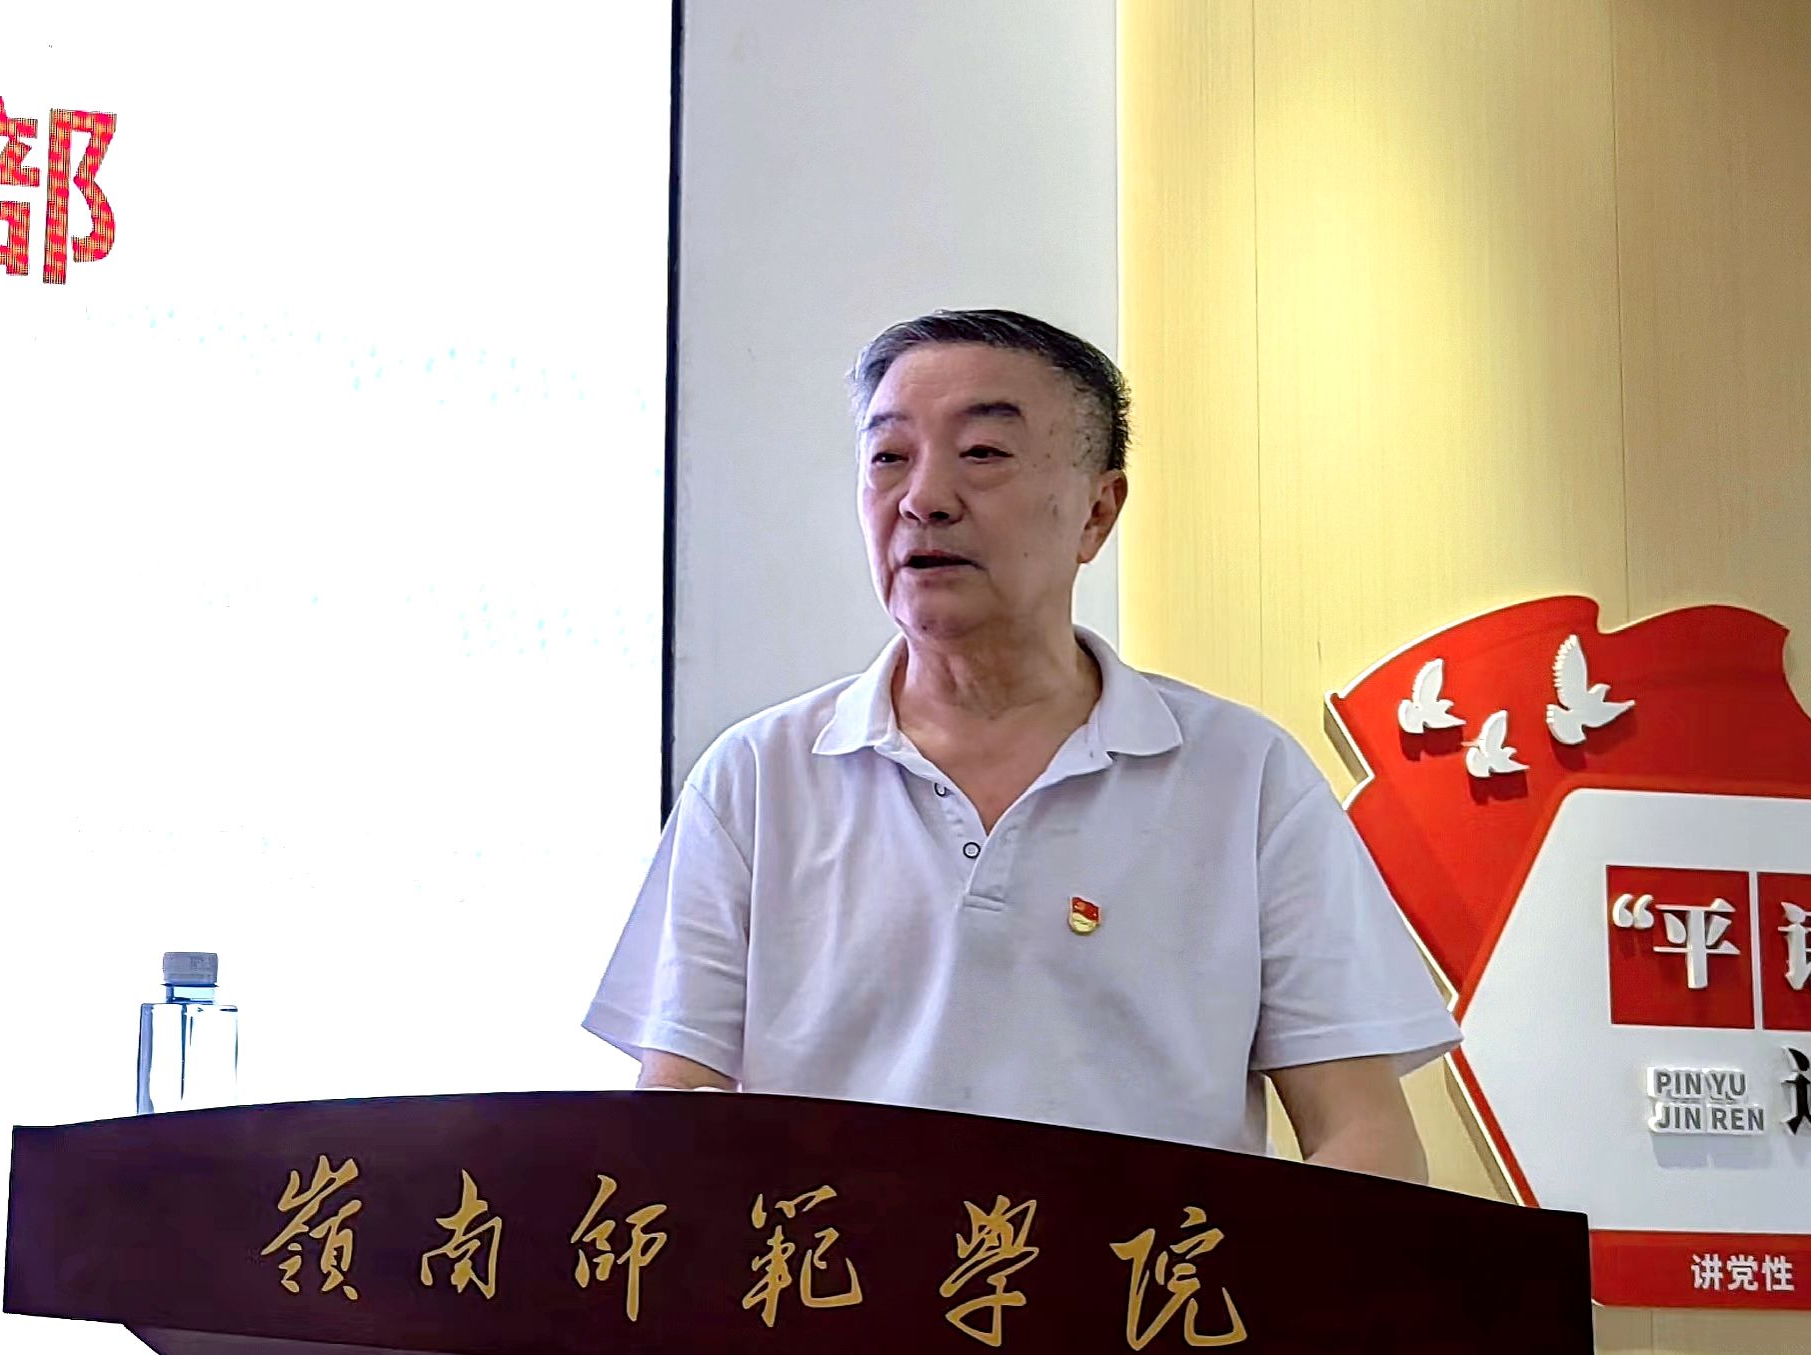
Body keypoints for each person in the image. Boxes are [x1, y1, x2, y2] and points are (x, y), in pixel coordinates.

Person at [583, 309, 1457, 1178]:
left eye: (983, 453)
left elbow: (1366, 1137)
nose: (923, 498)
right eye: (888, 457)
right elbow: (678, 1112)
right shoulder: (757, 778)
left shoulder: (1245, 777)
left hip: (1141, 1273)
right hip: (840, 1270)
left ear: (1096, 511)